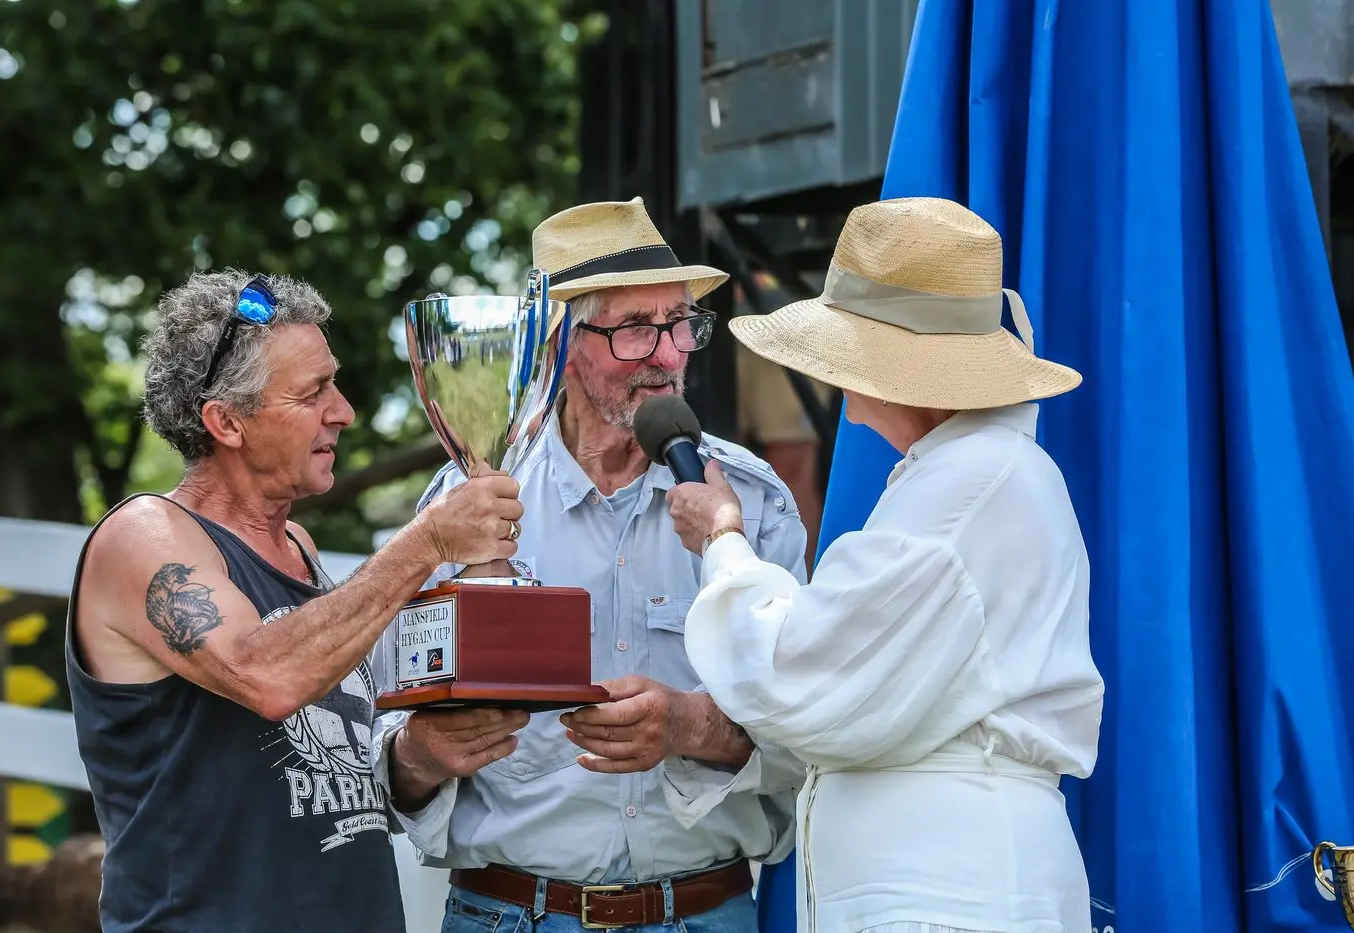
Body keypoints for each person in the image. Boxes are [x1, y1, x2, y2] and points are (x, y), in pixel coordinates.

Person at [370, 197, 809, 932]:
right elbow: (381, 747)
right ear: (561, 344)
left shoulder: (751, 502)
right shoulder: (465, 501)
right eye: (636, 328)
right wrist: (422, 754)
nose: (669, 354)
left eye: (680, 323)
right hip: (510, 912)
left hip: (706, 912)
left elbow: (814, 728)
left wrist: (691, 727)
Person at [666, 197, 1105, 933]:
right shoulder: (975, 473)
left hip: (950, 895)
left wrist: (723, 539)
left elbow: (800, 675)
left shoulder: (967, 483)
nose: (839, 383)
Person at [65, 271, 526, 933]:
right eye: (312, 393)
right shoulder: (142, 535)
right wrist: (428, 540)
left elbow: (327, 781)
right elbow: (268, 676)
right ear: (226, 422)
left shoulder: (299, 548)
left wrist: (418, 759)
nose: (344, 411)